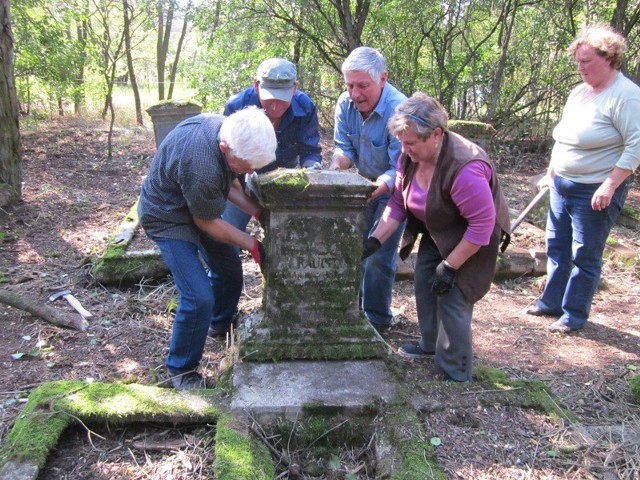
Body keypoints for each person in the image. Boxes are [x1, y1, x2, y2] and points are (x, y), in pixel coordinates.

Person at [363, 92, 510, 382]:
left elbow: (481, 226)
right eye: (401, 143)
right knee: (424, 281)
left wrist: (450, 266)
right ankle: (430, 345)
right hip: (437, 226)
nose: (405, 150)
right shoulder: (410, 158)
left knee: (454, 296)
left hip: (472, 237)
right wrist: (375, 240)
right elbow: (397, 203)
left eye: (411, 143)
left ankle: (455, 371)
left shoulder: (465, 168)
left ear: (436, 135)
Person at [138, 107, 277, 390]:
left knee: (228, 270)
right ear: (225, 148)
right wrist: (253, 245)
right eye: (246, 164)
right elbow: (206, 222)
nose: (251, 171)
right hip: (168, 216)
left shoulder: (227, 130)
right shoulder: (202, 162)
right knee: (198, 296)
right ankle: (180, 371)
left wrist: (263, 215)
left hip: (196, 205)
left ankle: (219, 324)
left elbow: (230, 186)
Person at [526, 24, 640, 333]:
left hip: (595, 189)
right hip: (562, 184)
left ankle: (574, 313)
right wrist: (551, 172)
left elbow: (636, 145)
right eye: (578, 62)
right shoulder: (579, 93)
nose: (580, 68)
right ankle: (550, 302)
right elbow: (562, 138)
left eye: (587, 61)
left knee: (584, 253)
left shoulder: (626, 96)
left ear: (609, 58)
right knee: (557, 246)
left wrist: (610, 184)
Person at [207, 58, 322, 336]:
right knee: (226, 243)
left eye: (282, 101)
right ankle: (220, 319)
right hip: (242, 182)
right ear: (256, 85)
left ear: (295, 89)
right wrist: (242, 183)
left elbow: (310, 150)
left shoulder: (305, 107)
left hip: (285, 183)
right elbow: (225, 156)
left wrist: (311, 176)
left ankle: (292, 310)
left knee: (291, 243)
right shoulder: (237, 105)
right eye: (268, 99)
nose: (274, 107)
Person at [330, 46, 407, 332]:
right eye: (350, 85)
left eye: (363, 86)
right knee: (353, 249)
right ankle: (352, 310)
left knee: (378, 256)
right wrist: (336, 166)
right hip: (362, 189)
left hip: (395, 191)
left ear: (383, 79)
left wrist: (378, 187)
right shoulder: (344, 104)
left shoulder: (400, 110)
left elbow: (400, 167)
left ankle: (376, 319)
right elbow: (344, 148)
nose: (355, 93)